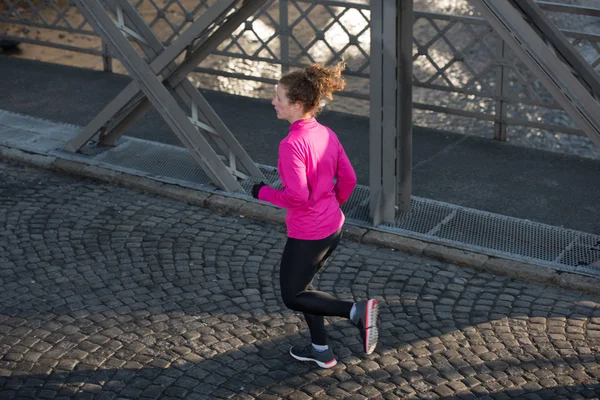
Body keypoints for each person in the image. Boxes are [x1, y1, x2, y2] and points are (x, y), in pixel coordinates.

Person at [251, 61, 379, 369]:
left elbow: (297, 197)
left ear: (296, 105)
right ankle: (321, 350)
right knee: (306, 288)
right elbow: (348, 179)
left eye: (278, 98)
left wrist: (261, 193)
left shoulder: (292, 144)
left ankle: (355, 311)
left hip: (309, 232)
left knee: (293, 295)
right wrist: (331, 204)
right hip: (332, 225)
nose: (273, 102)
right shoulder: (325, 133)